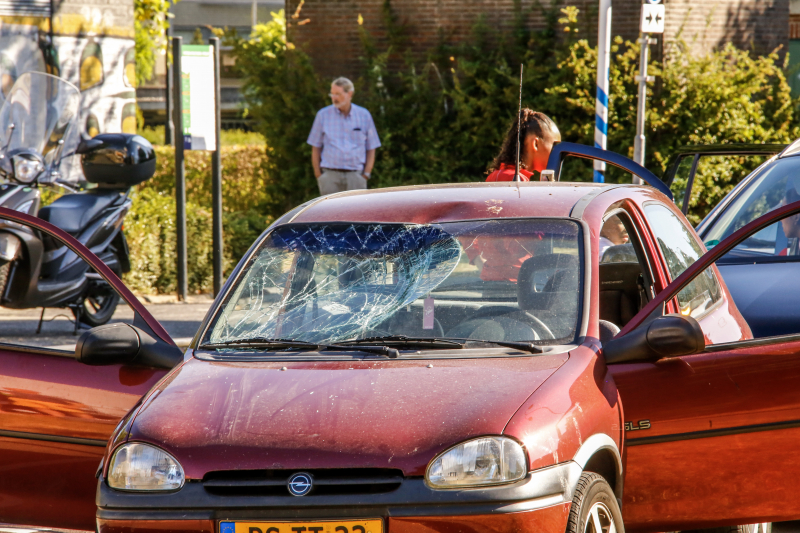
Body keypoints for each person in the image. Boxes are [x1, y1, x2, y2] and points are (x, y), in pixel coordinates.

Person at [307, 77, 381, 195]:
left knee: (356, 212)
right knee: (329, 212)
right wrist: (318, 174)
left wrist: (366, 174)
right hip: (330, 176)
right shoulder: (323, 115)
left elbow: (372, 147)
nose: (334, 98)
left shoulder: (364, 115)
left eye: (338, 94)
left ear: (349, 94)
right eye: (332, 93)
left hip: (355, 175)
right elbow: (315, 146)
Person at [486, 109, 561, 182]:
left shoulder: (496, 175)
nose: (557, 153)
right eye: (554, 146)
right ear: (536, 144)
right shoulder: (517, 180)